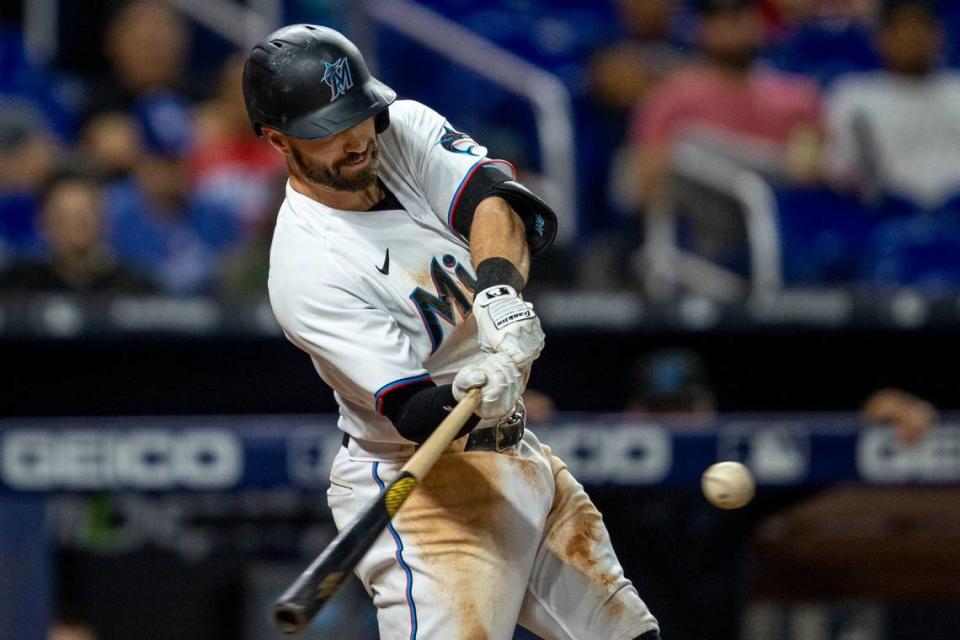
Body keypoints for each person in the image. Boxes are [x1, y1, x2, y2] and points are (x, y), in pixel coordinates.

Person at [245, 24, 660, 640]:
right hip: (422, 491)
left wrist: (495, 293)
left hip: (516, 456)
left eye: (357, 114)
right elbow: (413, 410)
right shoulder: (306, 269)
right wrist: (477, 390)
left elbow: (496, 202)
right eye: (326, 130)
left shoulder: (399, 129)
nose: (356, 138)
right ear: (278, 140)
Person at [826, 0, 960, 209]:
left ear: (938, 35)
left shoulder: (956, 89)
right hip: (883, 216)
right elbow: (841, 169)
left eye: (920, 28)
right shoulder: (853, 96)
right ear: (881, 38)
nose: (911, 38)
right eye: (901, 29)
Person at [0, 170, 152, 294]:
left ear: (104, 219)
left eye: (84, 216)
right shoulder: (18, 283)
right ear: (43, 221)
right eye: (66, 217)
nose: (76, 226)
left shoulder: (134, 286)